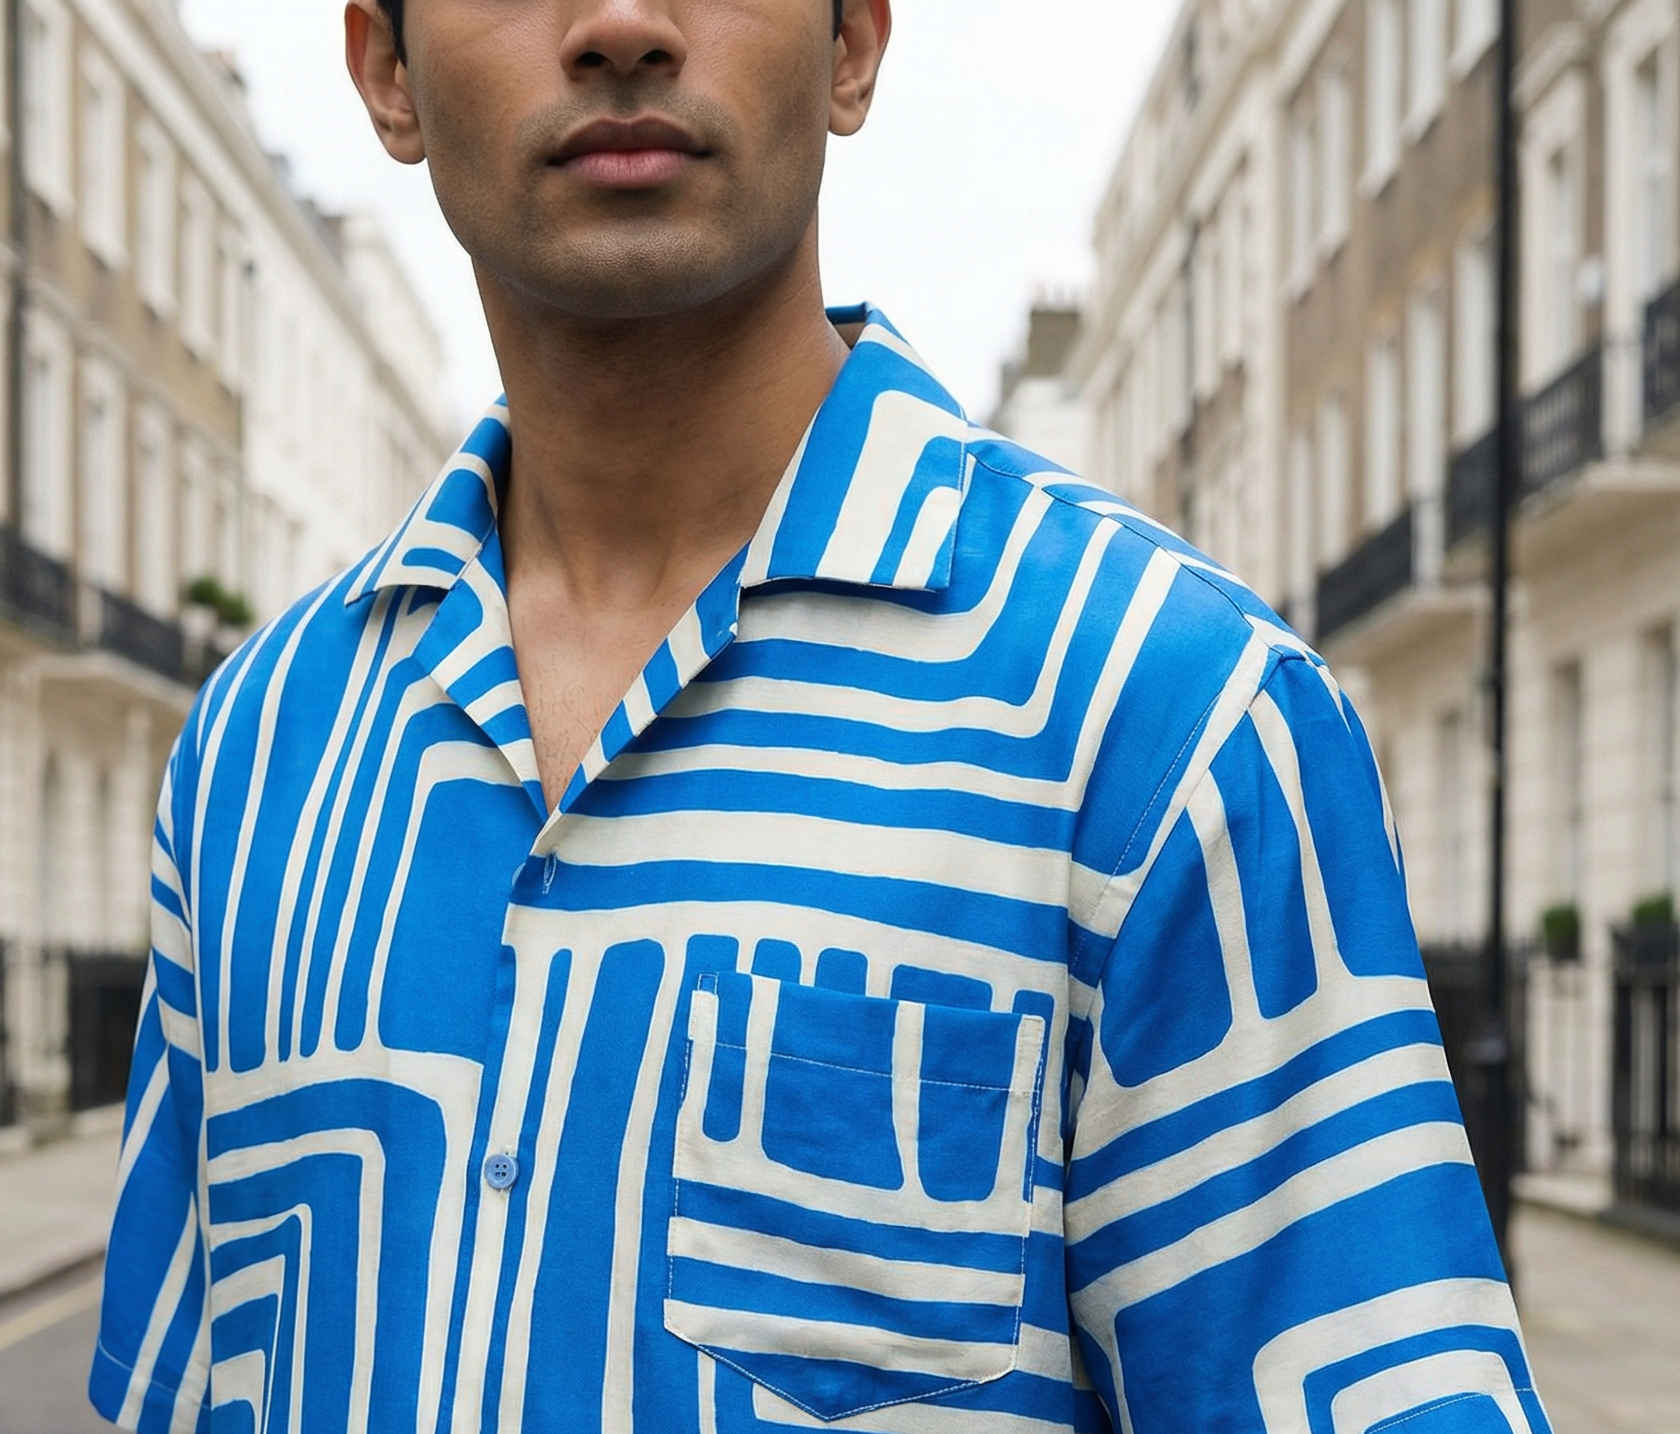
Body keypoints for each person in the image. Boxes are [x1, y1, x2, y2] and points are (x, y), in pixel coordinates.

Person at [90, 1, 1549, 1430]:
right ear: (383, 70)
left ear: (853, 43)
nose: (619, 25)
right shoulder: (251, 753)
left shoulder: (1172, 716)